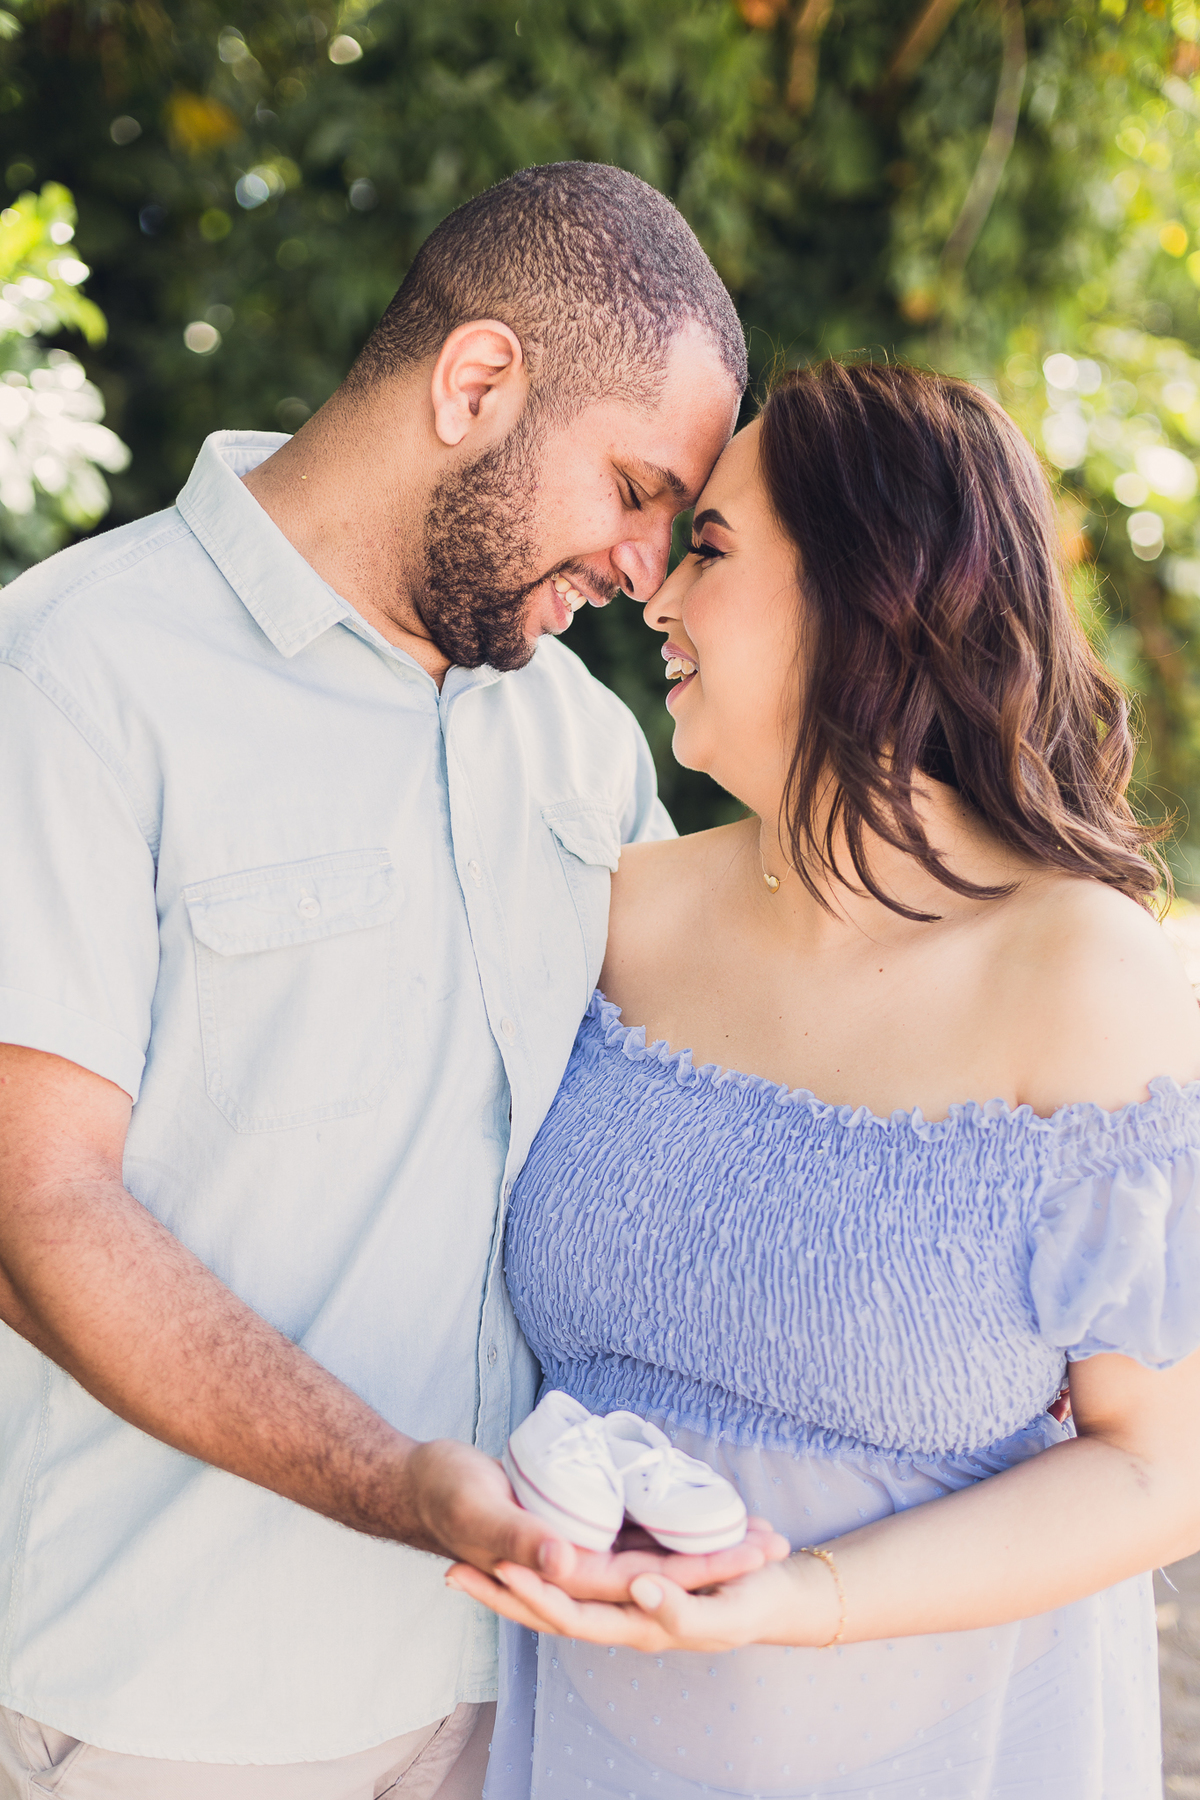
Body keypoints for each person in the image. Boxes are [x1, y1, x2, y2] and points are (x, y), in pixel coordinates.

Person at [0, 163, 785, 1800]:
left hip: (527, 1698)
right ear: (478, 381)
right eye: (636, 490)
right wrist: (401, 1483)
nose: (648, 570)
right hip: (168, 1708)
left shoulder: (576, 739)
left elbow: (701, 1114)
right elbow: (35, 1213)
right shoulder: (75, 673)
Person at [449, 360, 1200, 1799]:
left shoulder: (1083, 979)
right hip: (592, 1751)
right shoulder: (620, 918)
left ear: (877, 586)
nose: (655, 597)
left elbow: (1161, 1468)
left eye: (713, 546)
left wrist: (807, 1599)